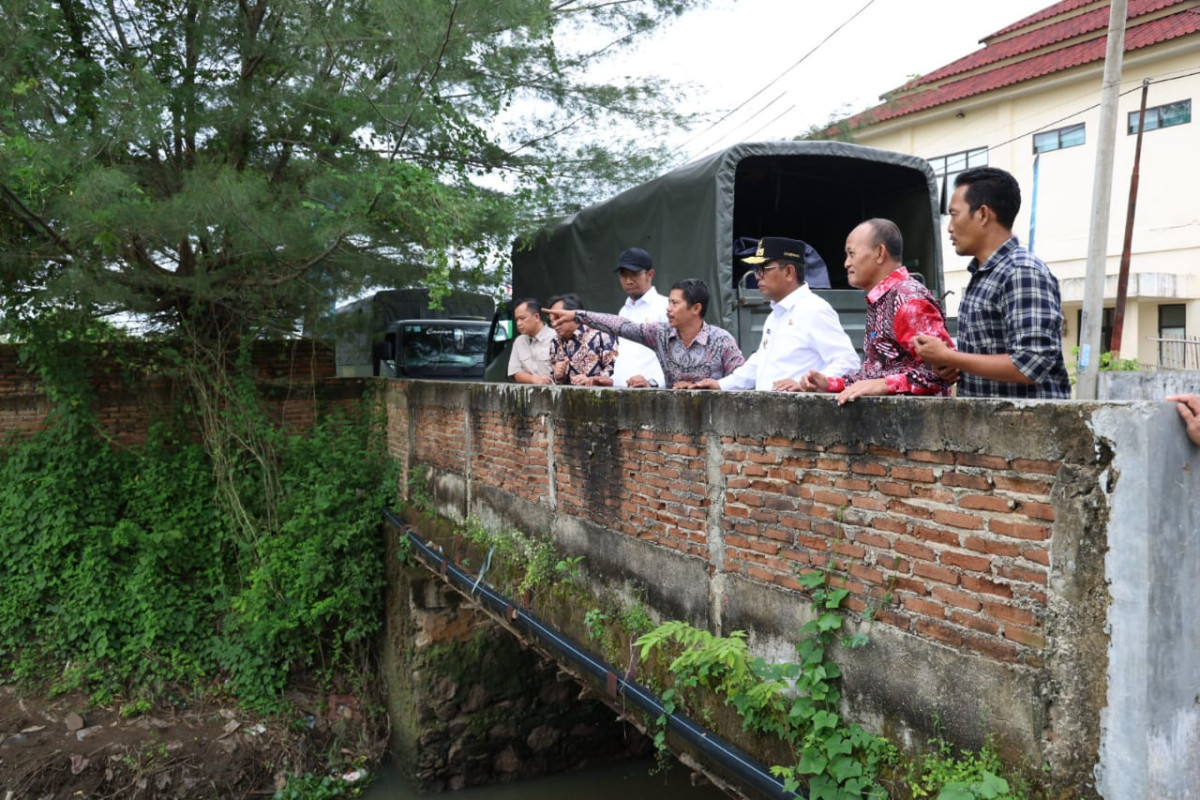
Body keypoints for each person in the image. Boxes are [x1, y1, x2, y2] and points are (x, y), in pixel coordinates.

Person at [913, 166, 1071, 399]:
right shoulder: (984, 275)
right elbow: (990, 358)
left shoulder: (1021, 272)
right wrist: (954, 366)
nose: (950, 227)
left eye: (954, 214)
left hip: (1025, 421)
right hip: (987, 420)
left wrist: (950, 357)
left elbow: (1030, 364)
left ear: (983, 214)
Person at [784, 219, 955, 404]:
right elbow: (872, 377)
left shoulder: (908, 300)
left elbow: (943, 372)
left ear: (880, 253)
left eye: (851, 254)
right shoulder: (882, 299)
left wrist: (884, 385)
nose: (846, 263)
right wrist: (828, 384)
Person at [689, 237, 859, 391]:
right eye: (756, 269)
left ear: (789, 272)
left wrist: (806, 383)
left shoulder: (813, 309)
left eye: (764, 268)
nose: (758, 276)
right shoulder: (776, 314)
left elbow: (848, 361)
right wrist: (721, 385)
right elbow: (761, 362)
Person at [546, 279, 745, 388]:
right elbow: (621, 325)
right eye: (669, 302)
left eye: (675, 303)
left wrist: (714, 386)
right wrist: (578, 316)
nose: (668, 309)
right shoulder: (660, 334)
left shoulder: (721, 340)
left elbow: (744, 378)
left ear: (696, 308)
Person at [598, 247, 669, 389]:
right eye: (624, 275)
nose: (628, 281)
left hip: (654, 394)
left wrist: (653, 382)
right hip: (623, 393)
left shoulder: (666, 307)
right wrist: (612, 380)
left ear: (650, 275)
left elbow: (677, 357)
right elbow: (627, 356)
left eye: (634, 274)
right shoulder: (624, 311)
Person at [547, 294, 617, 386]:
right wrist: (558, 377)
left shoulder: (601, 335)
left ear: (573, 315)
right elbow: (555, 382)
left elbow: (615, 370)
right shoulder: (555, 342)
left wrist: (591, 380)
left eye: (557, 318)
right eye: (551, 321)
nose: (554, 324)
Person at [507, 298, 555, 384]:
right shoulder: (519, 342)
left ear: (536, 317)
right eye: (517, 319)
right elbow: (515, 372)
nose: (518, 323)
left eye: (522, 318)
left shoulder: (555, 337)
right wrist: (534, 379)